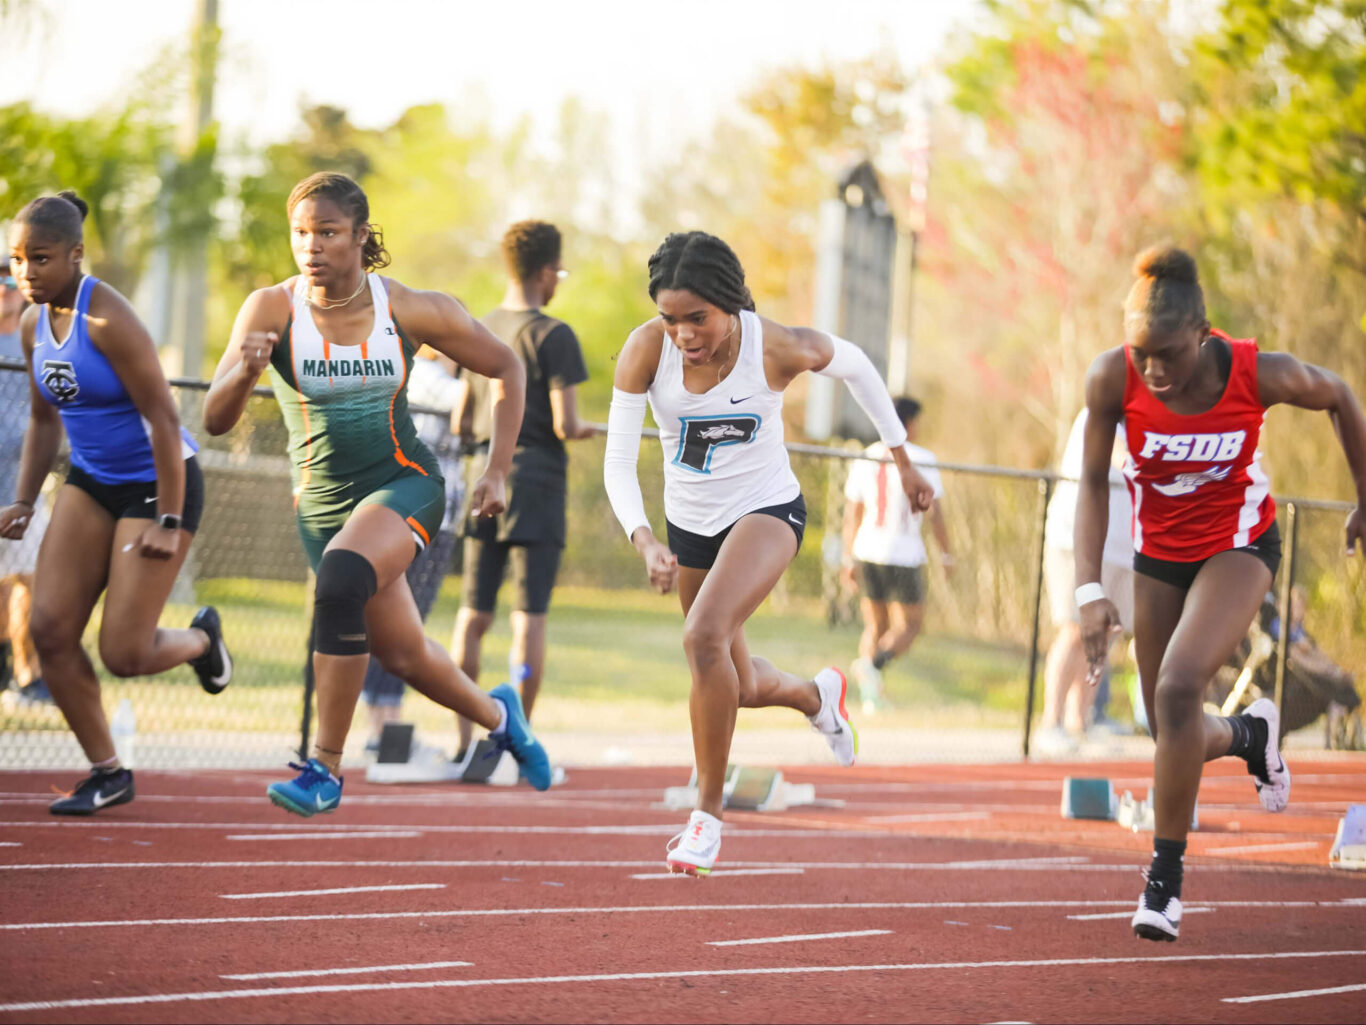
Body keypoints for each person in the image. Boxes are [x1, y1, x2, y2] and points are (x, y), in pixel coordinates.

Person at [203, 172, 552, 815]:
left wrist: (497, 470)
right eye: (301, 233)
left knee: (341, 581)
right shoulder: (270, 309)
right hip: (321, 506)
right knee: (405, 653)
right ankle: (502, 719)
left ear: (362, 237)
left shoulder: (409, 309)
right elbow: (215, 419)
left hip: (404, 484)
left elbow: (507, 365)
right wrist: (247, 370)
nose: (311, 246)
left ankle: (325, 769)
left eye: (328, 232)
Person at [604, 231, 935, 875]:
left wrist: (902, 463)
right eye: (671, 319)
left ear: (729, 304)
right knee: (741, 684)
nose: (684, 336)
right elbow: (618, 459)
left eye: (697, 318)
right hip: (689, 528)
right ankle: (818, 698)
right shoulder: (646, 349)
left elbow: (860, 368)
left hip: (766, 512)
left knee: (702, 638)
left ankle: (706, 818)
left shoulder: (776, 346)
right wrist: (643, 537)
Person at [1077, 245, 1366, 941]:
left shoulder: (1256, 371)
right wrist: (1089, 586)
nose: (1156, 370)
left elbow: (1340, 395)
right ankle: (1250, 732)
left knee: (1179, 689)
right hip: (1159, 556)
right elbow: (1091, 483)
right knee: (1167, 728)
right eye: (1143, 352)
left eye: (1169, 354)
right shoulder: (1112, 378)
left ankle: (1164, 880)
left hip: (1239, 547)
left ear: (1202, 335)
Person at [0, 191, 233, 815]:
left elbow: (162, 419)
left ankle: (202, 642)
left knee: (124, 655)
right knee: (50, 632)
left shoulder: (108, 319)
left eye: (40, 259)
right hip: (91, 479)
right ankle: (108, 771)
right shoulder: (30, 324)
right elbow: (46, 420)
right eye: (17, 260)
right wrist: (24, 498)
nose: (26, 273)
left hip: (158, 481)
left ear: (76, 255)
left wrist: (169, 519)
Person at [451, 220, 592, 759]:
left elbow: (464, 420)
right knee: (528, 616)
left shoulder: (477, 328)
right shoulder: (554, 335)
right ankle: (520, 741)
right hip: (536, 482)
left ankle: (464, 740)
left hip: (486, 478)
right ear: (546, 272)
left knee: (473, 614)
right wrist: (588, 428)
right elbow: (564, 422)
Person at [360, 346, 465, 751]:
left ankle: (387, 725)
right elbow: (466, 400)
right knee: (400, 623)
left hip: (439, 518)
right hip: (417, 518)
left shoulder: (439, 379)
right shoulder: (425, 376)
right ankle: (381, 728)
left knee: (409, 622)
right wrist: (488, 373)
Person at [841, 396, 951, 713]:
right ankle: (873, 667)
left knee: (876, 625)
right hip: (904, 552)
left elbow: (853, 514)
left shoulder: (867, 456)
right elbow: (936, 514)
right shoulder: (923, 458)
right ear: (910, 424)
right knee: (911, 625)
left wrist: (848, 558)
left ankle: (870, 695)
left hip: (867, 548)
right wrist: (946, 555)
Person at [1037, 408, 1134, 754]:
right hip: (1076, 541)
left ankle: (1083, 722)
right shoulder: (1099, 413)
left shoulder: (1151, 419)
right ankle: (1051, 723)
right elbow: (1123, 458)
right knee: (1075, 630)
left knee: (1104, 634)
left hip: (1123, 548)